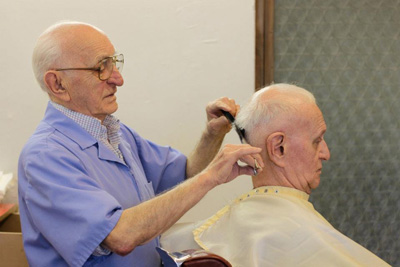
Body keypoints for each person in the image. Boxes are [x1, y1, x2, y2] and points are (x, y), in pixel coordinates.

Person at [18, 21, 264, 267]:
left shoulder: (115, 133)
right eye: (101, 68)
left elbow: (184, 174)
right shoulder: (45, 157)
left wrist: (212, 135)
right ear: (57, 84)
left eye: (114, 63)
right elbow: (121, 236)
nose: (118, 79)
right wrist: (212, 176)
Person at [160, 83, 390, 266]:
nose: (326, 153)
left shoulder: (179, 240)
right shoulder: (296, 234)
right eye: (317, 140)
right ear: (278, 148)